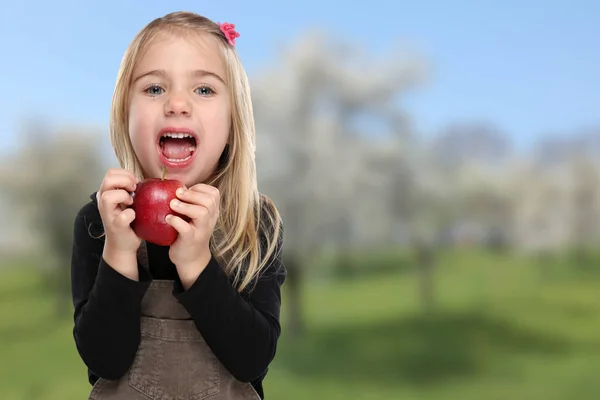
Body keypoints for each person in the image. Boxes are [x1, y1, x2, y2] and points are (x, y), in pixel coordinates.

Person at [70, 11, 285, 400]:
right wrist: (119, 250)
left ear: (234, 121)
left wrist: (196, 263)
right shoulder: (99, 222)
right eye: (154, 89)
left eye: (204, 90)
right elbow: (104, 361)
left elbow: (253, 360)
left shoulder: (255, 225)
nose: (177, 104)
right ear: (125, 114)